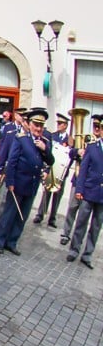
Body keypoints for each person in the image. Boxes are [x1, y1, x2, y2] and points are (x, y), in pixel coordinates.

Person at [0, 109, 54, 256]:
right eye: (36, 125)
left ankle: (12, 242)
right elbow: (12, 161)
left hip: (32, 185)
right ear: (30, 124)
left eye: (41, 125)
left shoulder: (44, 142)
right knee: (9, 214)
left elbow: (51, 161)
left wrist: (45, 150)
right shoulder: (21, 138)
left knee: (22, 216)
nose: (38, 128)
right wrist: (10, 182)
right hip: (18, 183)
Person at [67, 114, 103, 268]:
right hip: (88, 192)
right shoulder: (92, 147)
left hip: (102, 196)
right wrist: (79, 189)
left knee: (96, 226)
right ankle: (74, 250)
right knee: (81, 222)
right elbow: (83, 171)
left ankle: (87, 255)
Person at [33, 112, 72, 228]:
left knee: (57, 196)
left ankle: (52, 218)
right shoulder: (52, 136)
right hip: (51, 170)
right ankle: (40, 214)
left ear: (66, 125)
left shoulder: (70, 140)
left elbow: (71, 156)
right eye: (58, 123)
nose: (59, 125)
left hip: (61, 173)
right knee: (46, 193)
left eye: (61, 123)